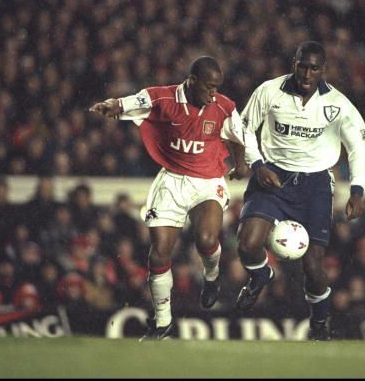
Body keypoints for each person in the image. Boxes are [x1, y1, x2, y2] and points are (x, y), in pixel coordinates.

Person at [89, 56, 248, 340]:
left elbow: (237, 136)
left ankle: (212, 278)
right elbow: (130, 103)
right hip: (171, 181)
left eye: (217, 88)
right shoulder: (162, 98)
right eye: (209, 87)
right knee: (160, 252)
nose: (213, 93)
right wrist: (112, 105)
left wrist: (241, 165)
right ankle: (163, 323)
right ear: (192, 81)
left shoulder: (223, 106)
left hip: (208, 181)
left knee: (207, 240)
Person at [234, 41, 365, 340]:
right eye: (302, 65)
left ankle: (320, 323)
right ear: (293, 63)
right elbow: (243, 127)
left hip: (316, 184)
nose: (307, 73)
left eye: (314, 68)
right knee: (246, 243)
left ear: (324, 70)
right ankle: (260, 275)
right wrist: (257, 165)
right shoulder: (269, 92)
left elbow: (359, 145)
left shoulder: (338, 105)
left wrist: (358, 189)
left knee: (313, 266)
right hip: (272, 174)